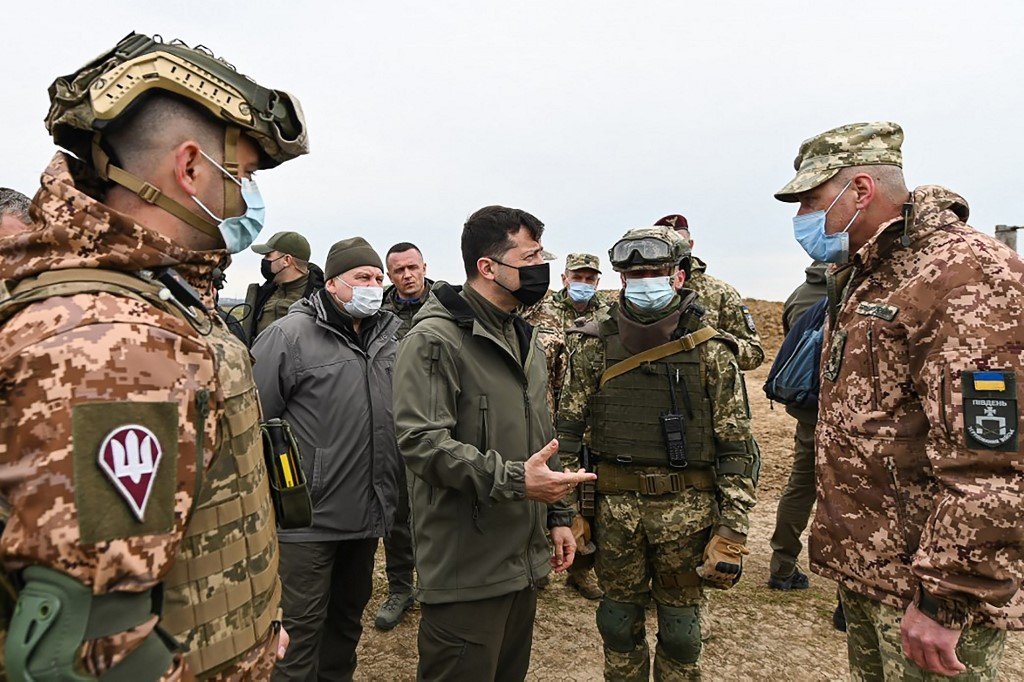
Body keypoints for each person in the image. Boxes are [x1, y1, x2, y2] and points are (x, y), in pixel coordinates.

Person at [0, 31, 307, 678]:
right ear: (190, 168)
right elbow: (89, 648)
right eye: (246, 175)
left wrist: (252, 634)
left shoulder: (160, 297)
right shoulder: (110, 342)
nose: (249, 196)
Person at [776, 121, 1024, 678]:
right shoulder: (872, 272)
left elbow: (991, 456)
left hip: (929, 590)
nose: (802, 219)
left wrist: (948, 597)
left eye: (811, 201)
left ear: (861, 190)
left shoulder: (963, 272)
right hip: (876, 575)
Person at [393, 205, 595, 681]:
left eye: (542, 255)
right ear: (487, 267)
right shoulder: (435, 340)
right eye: (530, 257)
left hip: (520, 563)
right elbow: (421, 442)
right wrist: (516, 481)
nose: (541, 267)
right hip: (466, 569)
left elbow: (540, 437)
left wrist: (558, 517)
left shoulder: (524, 338)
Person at [557, 226, 759, 680]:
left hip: (687, 515)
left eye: (655, 273)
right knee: (617, 622)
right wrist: (568, 511)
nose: (643, 281)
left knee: (682, 631)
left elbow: (736, 446)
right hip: (613, 515)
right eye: (634, 275)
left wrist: (732, 528)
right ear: (621, 278)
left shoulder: (712, 350)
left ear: (678, 277)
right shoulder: (592, 345)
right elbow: (566, 435)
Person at [252, 236, 402, 680]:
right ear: (333, 283)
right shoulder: (288, 336)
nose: (373, 285)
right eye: (362, 277)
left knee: (345, 627)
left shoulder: (389, 339)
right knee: (297, 634)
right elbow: (253, 420)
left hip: (367, 515)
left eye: (378, 278)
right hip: (307, 521)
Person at [521, 252, 611, 601]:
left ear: (598, 281)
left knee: (586, 498)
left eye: (590, 278)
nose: (583, 283)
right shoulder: (539, 310)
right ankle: (538, 563)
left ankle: (580, 570)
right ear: (564, 278)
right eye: (578, 276)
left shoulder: (609, 315)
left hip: (589, 422)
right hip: (547, 420)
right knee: (541, 492)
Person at [373, 241, 434, 631]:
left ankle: (435, 585)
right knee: (396, 512)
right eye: (398, 270)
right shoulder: (378, 312)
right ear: (390, 274)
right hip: (395, 425)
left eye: (413, 267)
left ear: (424, 266)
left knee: (437, 511)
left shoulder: (448, 306)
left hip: (439, 423)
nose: (407, 275)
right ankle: (400, 587)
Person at [766, 260, 826, 592]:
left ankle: (782, 566)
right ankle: (851, 588)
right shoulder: (864, 289)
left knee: (801, 486)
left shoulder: (798, 296)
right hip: (857, 413)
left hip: (809, 409)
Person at [654, 213, 765, 371]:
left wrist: (710, 338)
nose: (674, 250)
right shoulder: (638, 291)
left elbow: (754, 355)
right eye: (665, 244)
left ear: (690, 245)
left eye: (679, 243)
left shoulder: (720, 293)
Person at [244, 230, 325, 344]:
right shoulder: (262, 294)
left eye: (268, 255)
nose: (264, 261)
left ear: (286, 260)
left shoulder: (321, 300)